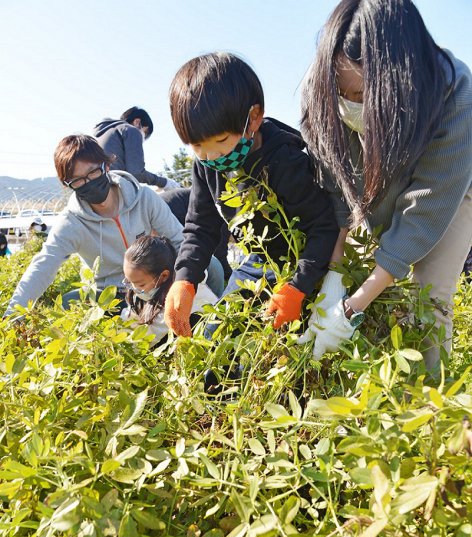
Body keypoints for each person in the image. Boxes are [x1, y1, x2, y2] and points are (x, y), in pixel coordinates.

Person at [299, 0, 472, 367]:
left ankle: (428, 409)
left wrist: (350, 308)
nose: (348, 104)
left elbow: (425, 211)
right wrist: (335, 279)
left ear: (398, 82)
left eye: (360, 96)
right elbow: (339, 196)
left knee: (427, 300)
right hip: (376, 188)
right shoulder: (320, 92)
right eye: (340, 93)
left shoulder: (454, 92)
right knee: (369, 286)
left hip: (451, 194)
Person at [163, 52, 339, 338]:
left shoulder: (284, 161)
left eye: (221, 142)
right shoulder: (206, 166)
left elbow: (323, 226)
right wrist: (185, 279)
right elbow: (200, 227)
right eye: (197, 147)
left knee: (283, 347)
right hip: (254, 264)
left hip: (301, 265)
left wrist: (298, 288)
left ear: (254, 118)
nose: (212, 156)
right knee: (214, 340)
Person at [4, 134, 185, 316]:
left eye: (93, 173)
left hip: (153, 286)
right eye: (78, 180)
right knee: (68, 302)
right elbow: (43, 265)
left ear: (106, 166)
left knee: (209, 265)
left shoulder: (144, 198)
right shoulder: (72, 222)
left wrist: (183, 282)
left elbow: (179, 240)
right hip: (110, 295)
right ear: (68, 185)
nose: (88, 182)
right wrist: (13, 315)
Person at [121, 235, 217, 346]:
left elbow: (146, 342)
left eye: (140, 284)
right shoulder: (147, 289)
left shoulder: (181, 299)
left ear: (164, 276)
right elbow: (129, 320)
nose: (134, 289)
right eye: (129, 281)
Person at [93, 106, 180, 191]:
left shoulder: (102, 133)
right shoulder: (131, 130)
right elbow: (137, 173)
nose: (143, 139)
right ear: (137, 122)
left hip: (95, 187)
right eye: (145, 132)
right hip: (113, 190)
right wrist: (164, 182)